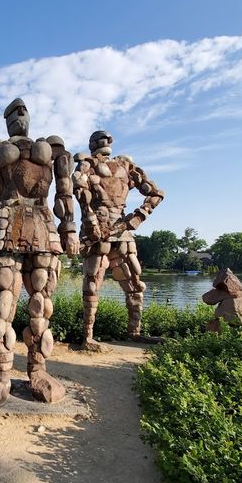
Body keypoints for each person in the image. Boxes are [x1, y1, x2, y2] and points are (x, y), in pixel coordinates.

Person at [0, 98, 78, 408]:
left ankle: (37, 371)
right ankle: (1, 374)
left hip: (43, 223)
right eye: (13, 112)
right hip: (6, 220)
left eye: (23, 111)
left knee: (41, 305)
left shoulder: (52, 149)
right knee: (4, 304)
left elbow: (65, 191)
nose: (20, 115)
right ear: (5, 120)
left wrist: (69, 228)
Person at [72, 130, 164, 348]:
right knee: (92, 283)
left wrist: (139, 215)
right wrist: (91, 221)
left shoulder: (125, 166)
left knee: (135, 282)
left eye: (108, 138)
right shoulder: (87, 163)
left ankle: (135, 331)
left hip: (122, 230)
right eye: (101, 139)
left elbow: (156, 194)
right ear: (93, 144)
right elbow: (79, 190)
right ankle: (87, 336)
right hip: (97, 233)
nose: (107, 141)